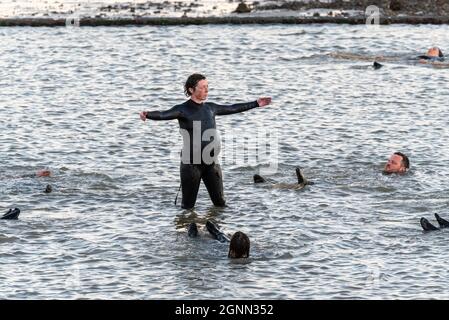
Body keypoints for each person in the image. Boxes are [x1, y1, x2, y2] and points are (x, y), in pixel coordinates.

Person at [140, 73, 272, 209]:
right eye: (203, 87)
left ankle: (217, 228)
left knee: (220, 204)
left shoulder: (210, 108)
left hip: (211, 163)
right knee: (188, 207)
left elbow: (233, 108)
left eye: (207, 87)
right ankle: (187, 229)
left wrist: (256, 103)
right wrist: (148, 114)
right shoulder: (182, 109)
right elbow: (163, 114)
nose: (207, 90)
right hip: (191, 165)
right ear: (191, 90)